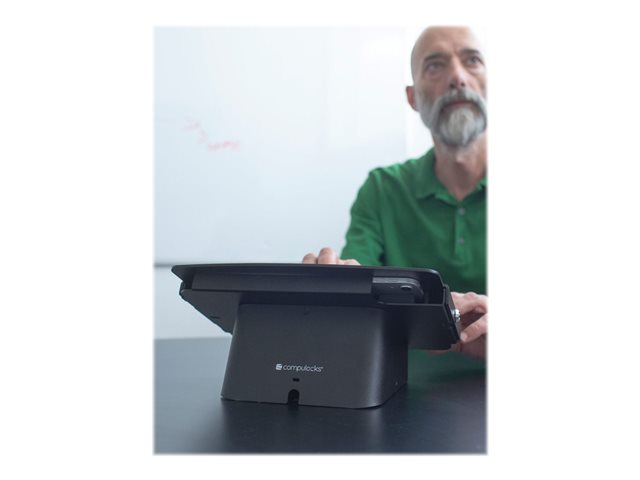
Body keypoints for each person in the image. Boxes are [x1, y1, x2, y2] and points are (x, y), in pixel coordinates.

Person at [303, 26, 487, 360]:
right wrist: (335, 284)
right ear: (413, 98)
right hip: (400, 386)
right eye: (435, 65)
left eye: (472, 60)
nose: (458, 77)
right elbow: (358, 286)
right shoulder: (381, 189)